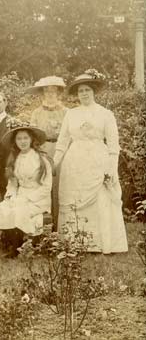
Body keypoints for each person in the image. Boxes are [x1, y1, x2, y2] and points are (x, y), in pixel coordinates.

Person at [53, 70, 128, 254]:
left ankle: (101, 243)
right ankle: (75, 242)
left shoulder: (105, 114)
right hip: (75, 162)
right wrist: (53, 164)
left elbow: (113, 145)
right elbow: (62, 142)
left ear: (93, 91)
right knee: (73, 198)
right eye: (80, 91)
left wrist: (111, 168)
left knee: (100, 198)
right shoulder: (71, 114)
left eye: (87, 90)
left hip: (98, 160)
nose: (84, 94)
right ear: (77, 95)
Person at [0, 119, 52, 257]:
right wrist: (11, 196)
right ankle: (10, 245)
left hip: (38, 199)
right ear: (15, 142)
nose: (22, 141)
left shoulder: (41, 160)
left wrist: (28, 199)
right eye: (19, 139)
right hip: (19, 196)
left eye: (25, 138)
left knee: (19, 212)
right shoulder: (14, 159)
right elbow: (12, 184)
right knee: (0, 209)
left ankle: (21, 248)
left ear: (31, 139)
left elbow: (47, 187)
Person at [26, 76, 68, 229]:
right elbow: (32, 135)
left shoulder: (66, 112)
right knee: (43, 185)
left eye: (53, 91)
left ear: (58, 93)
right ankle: (43, 227)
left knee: (60, 186)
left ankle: (61, 224)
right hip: (42, 150)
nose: (50, 94)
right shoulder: (36, 113)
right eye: (46, 91)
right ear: (42, 93)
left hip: (61, 151)